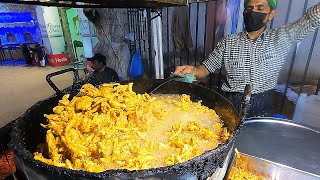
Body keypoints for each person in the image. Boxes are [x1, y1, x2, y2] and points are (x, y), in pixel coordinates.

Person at [174, 0, 320, 117]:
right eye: (249, 8)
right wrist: (192, 70)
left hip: (264, 104)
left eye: (260, 8)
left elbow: (310, 20)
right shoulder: (228, 42)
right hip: (231, 103)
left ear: (271, 14)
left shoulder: (281, 38)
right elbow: (205, 69)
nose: (253, 12)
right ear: (244, 12)